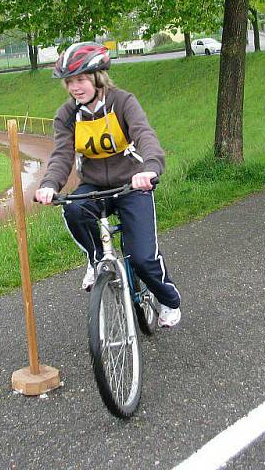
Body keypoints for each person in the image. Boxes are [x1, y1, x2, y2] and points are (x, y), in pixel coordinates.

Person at [34, 42, 181, 328]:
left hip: (132, 185)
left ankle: (169, 300)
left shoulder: (123, 102)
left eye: (81, 79)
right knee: (74, 210)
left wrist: (149, 170)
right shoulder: (67, 115)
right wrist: (50, 184)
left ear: (98, 77)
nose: (75, 87)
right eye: (70, 82)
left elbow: (145, 136)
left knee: (141, 256)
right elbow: (62, 155)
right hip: (95, 187)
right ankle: (97, 259)